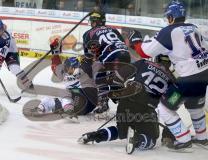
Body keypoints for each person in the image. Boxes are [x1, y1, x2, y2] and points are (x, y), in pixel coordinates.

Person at [128, 1, 208, 150]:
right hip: (204, 73)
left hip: (189, 78)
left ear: (171, 17)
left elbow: (145, 52)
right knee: (195, 106)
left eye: (167, 17)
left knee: (164, 107)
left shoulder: (168, 31)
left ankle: (183, 139)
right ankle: (202, 138)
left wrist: (136, 42)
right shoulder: (194, 28)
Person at [79, 56, 176, 154]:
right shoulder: (173, 81)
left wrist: (122, 93)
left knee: (122, 131)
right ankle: (137, 140)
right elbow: (170, 109)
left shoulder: (144, 62)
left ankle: (97, 135)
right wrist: (168, 132)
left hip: (126, 101)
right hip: (146, 108)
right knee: (151, 138)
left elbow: (118, 76)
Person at [32, 38, 106, 116]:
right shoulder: (79, 72)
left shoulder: (79, 73)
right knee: (51, 99)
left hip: (84, 101)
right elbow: (56, 65)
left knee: (65, 95)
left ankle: (65, 109)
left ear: (73, 67)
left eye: (67, 67)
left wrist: (55, 52)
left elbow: (55, 66)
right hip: (85, 105)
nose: (66, 69)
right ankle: (44, 108)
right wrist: (55, 52)